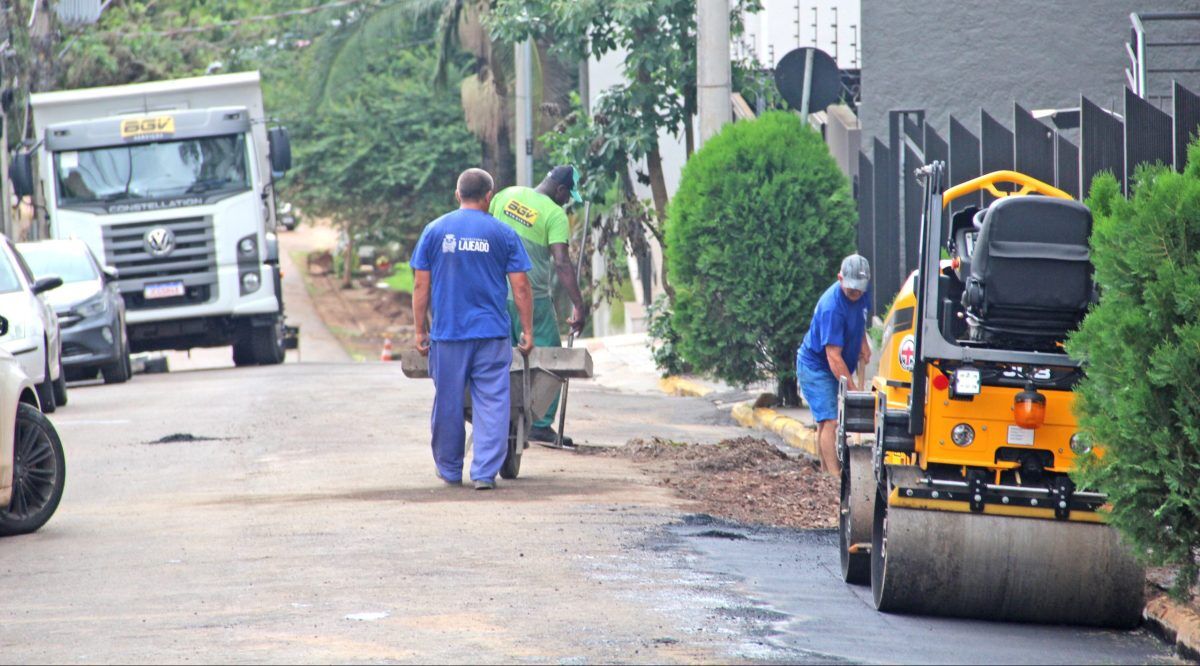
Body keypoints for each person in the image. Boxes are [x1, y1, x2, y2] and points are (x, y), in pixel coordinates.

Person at [411, 168, 535, 490]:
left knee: (448, 401)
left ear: (457, 195)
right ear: (489, 197)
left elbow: (420, 286)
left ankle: (450, 471)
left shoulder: (435, 230)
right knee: (493, 402)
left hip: (449, 334)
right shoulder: (503, 233)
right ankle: (483, 474)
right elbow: (521, 287)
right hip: (491, 333)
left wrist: (419, 331)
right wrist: (528, 330)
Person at [489, 165, 588, 446]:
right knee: (550, 359)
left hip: (495, 294)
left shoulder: (506, 195)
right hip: (533, 298)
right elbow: (561, 262)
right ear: (560, 190)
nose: (568, 202)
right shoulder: (554, 214)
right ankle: (541, 424)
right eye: (569, 196)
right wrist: (578, 305)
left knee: (501, 357)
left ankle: (500, 416)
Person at [797, 254, 873, 476]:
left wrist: (864, 343)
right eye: (851, 290)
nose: (856, 294)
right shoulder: (832, 308)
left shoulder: (861, 294)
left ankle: (823, 473)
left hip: (833, 365)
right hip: (816, 367)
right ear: (840, 278)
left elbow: (859, 319)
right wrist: (853, 390)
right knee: (830, 420)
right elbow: (833, 357)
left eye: (859, 289)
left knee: (824, 423)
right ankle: (833, 477)